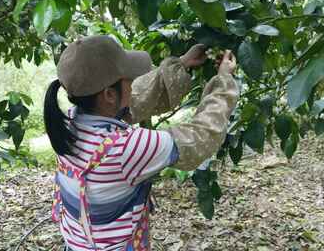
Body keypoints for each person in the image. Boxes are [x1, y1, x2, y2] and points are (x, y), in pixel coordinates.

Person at [43, 35, 239, 251]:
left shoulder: (69, 122)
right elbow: (202, 135)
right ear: (108, 95)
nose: (134, 83)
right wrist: (224, 81)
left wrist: (181, 64)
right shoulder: (125, 148)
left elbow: (135, 100)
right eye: (129, 79)